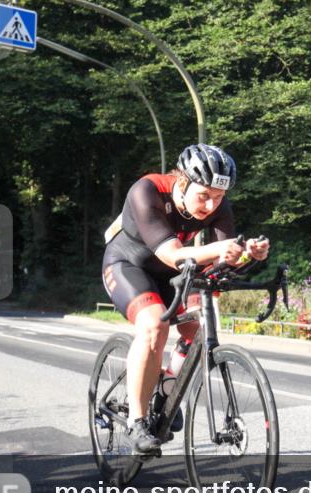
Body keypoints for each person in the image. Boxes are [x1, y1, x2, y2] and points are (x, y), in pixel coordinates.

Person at [102, 144, 269, 454]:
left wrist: (247, 254)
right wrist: (224, 250)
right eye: (203, 195)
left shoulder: (218, 203)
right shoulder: (147, 191)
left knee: (201, 324)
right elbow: (172, 254)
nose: (210, 205)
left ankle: (166, 389)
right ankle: (137, 422)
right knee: (154, 326)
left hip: (177, 272)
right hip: (128, 265)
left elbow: (224, 257)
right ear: (181, 182)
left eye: (217, 198)